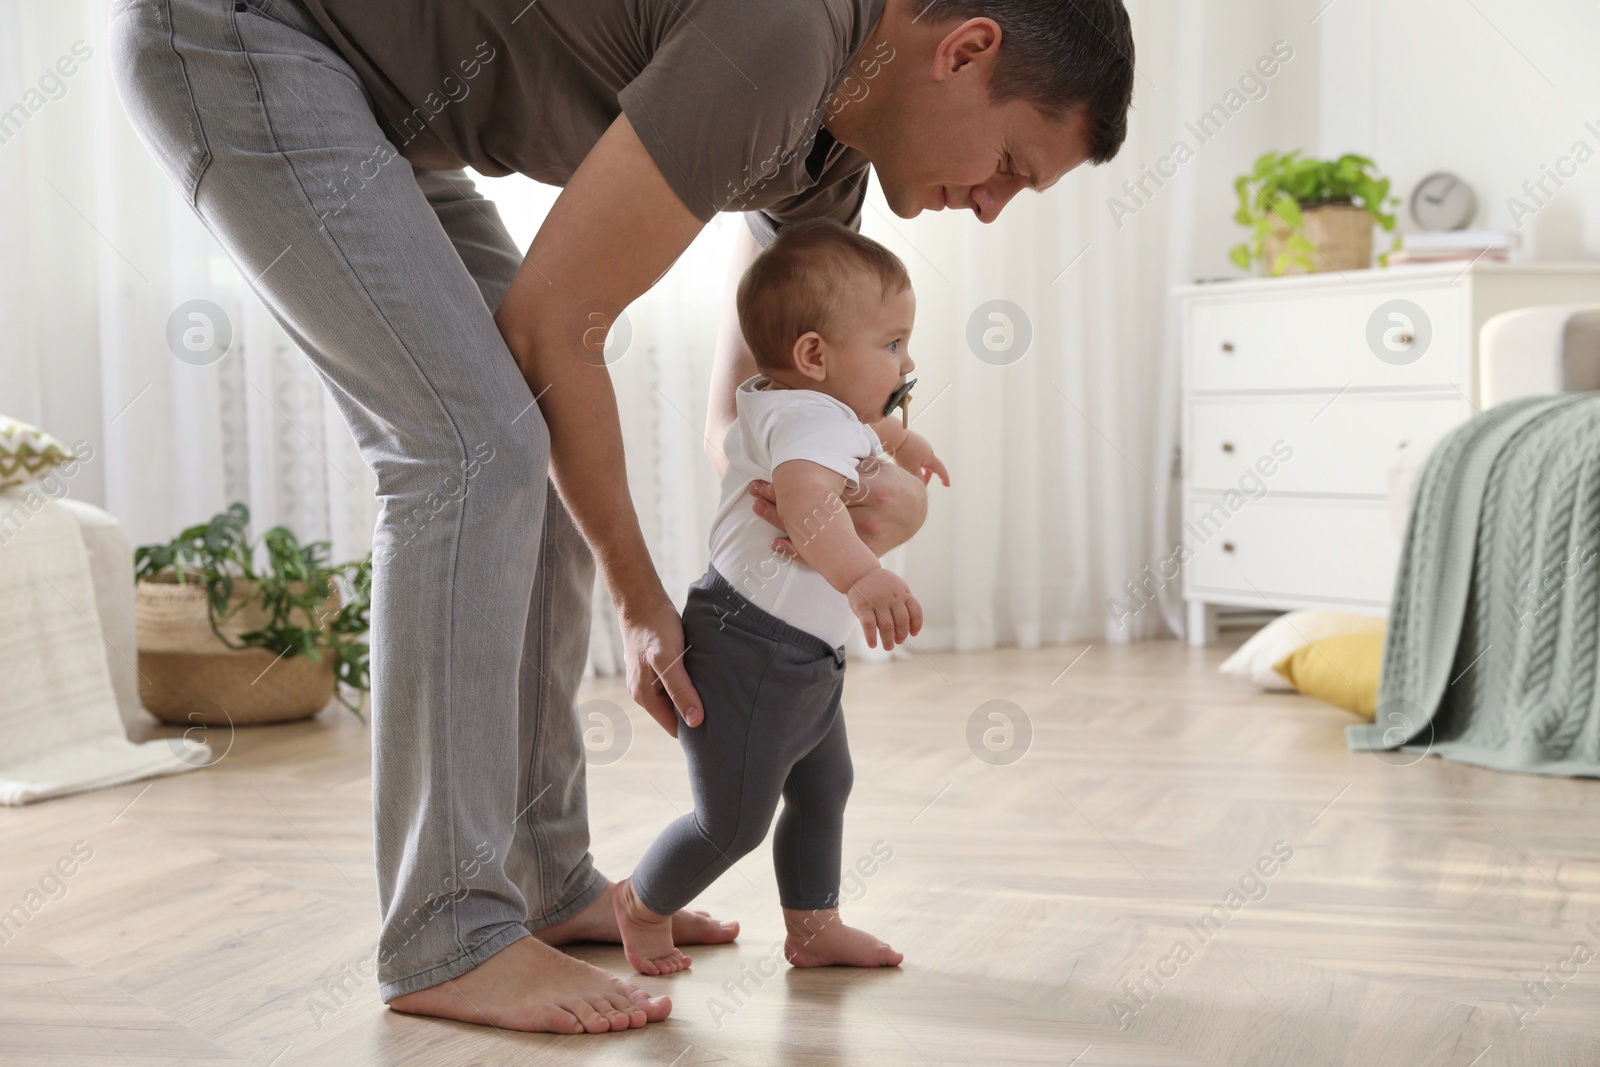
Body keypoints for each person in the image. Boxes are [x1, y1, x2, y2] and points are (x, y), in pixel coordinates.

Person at [109, 0, 1134, 1036]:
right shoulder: (787, 34)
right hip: (242, 33)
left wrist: (878, 485)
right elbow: (556, 323)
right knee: (475, 446)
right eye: (1012, 162)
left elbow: (762, 409)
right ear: (965, 49)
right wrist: (644, 602)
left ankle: (546, 877)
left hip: (377, 106)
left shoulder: (829, 160)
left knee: (526, 433)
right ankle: (444, 929)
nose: (997, 206)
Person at [614, 220, 947, 976]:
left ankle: (812, 925)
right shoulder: (805, 423)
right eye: (893, 344)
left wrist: (904, 442)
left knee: (825, 784)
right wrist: (863, 574)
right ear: (814, 356)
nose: (908, 359)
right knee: (731, 822)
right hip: (751, 648)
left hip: (798, 652)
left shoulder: (802, 403)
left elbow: (865, 425)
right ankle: (639, 903)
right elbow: (805, 496)